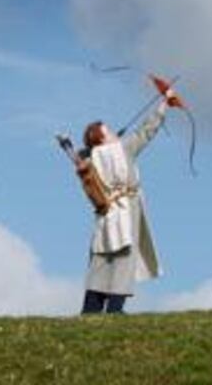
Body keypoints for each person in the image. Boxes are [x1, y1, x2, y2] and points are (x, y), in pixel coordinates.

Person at [75, 87, 179, 314]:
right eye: (108, 131)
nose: (113, 132)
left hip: (105, 213)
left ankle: (90, 310)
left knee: (100, 261)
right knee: (124, 261)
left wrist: (91, 150)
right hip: (126, 210)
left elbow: (88, 160)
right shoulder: (123, 148)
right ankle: (114, 310)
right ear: (102, 138)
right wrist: (164, 103)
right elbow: (146, 131)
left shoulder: (89, 159)